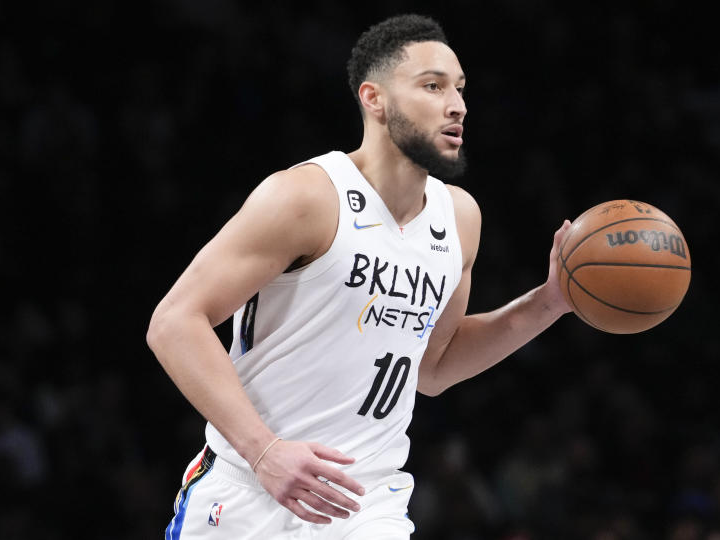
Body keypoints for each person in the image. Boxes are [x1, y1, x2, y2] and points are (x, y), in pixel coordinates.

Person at [147, 13, 572, 539]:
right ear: (374, 99)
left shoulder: (460, 218)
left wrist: (550, 301)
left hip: (366, 502)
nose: (457, 105)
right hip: (248, 491)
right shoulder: (306, 197)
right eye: (432, 86)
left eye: (460, 89)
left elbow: (433, 368)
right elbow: (174, 322)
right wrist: (264, 453)